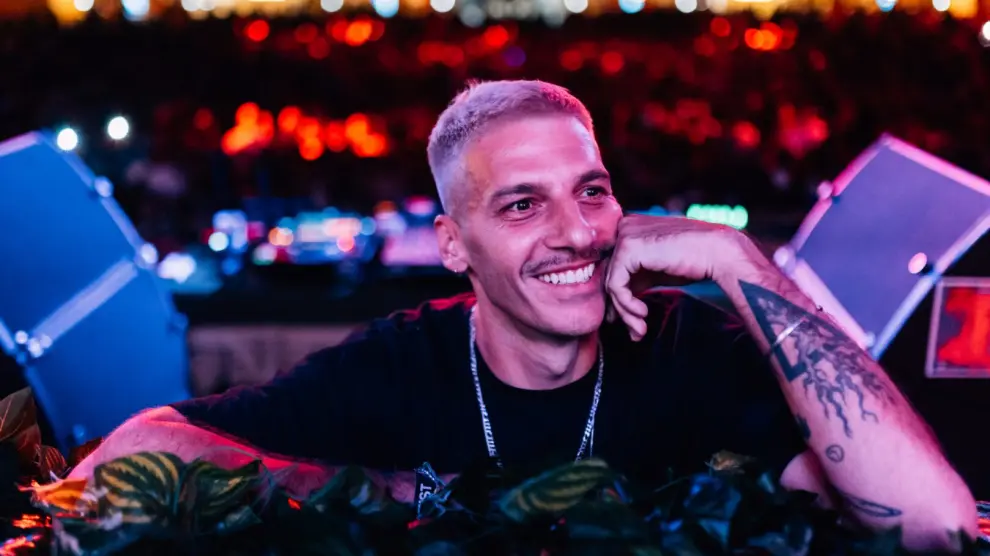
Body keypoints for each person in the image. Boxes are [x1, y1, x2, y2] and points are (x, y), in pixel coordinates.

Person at [71, 80, 976, 551]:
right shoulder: (400, 364)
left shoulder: (689, 350)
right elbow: (118, 464)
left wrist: (740, 264)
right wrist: (378, 493)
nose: (576, 231)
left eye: (592, 190)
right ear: (453, 245)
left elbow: (934, 525)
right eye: (521, 205)